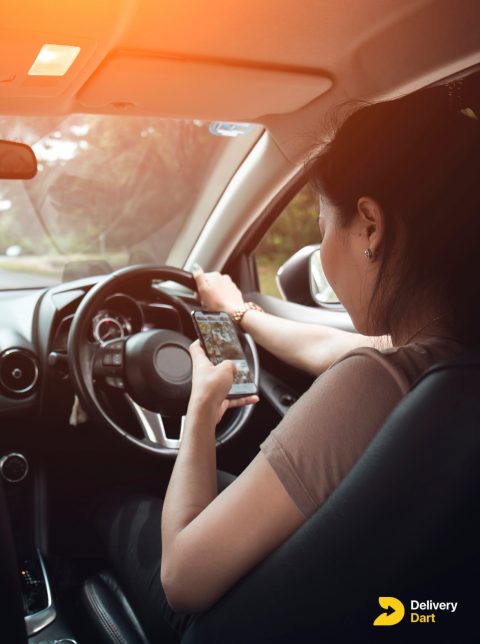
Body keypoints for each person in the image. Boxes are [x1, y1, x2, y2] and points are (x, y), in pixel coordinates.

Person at [96, 85, 479, 643]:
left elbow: (181, 578)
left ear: (370, 228)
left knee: (117, 503)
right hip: (414, 613)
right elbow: (331, 349)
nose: (323, 247)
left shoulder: (375, 383)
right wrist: (239, 312)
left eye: (324, 227)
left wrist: (201, 406)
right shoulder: (443, 363)